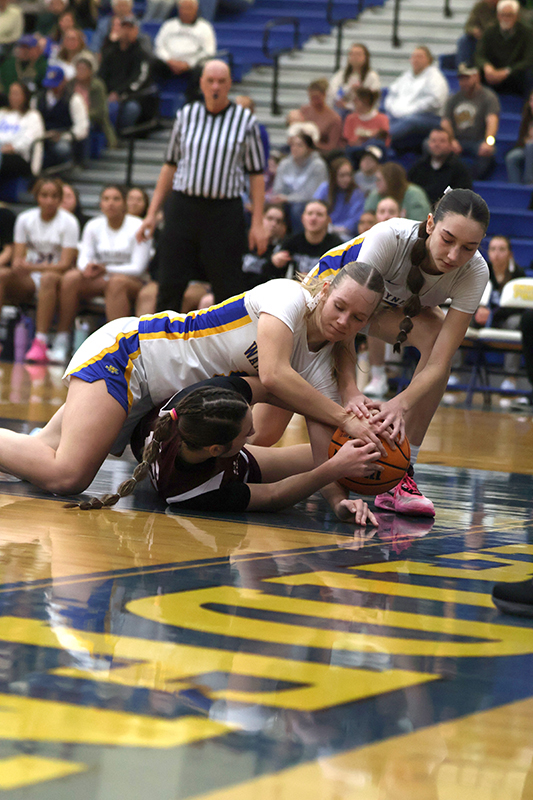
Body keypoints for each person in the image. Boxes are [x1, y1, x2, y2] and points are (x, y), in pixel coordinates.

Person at [0, 263, 390, 531]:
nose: (343, 321)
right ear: (325, 291)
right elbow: (273, 375)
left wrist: (339, 500)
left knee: (42, 452)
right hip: (134, 355)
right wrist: (344, 416)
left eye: (357, 318)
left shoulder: (320, 368)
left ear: (368, 322)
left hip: (158, 397)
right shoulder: (287, 297)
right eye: (340, 307)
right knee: (68, 475)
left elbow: (324, 447)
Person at [305, 188, 491, 516]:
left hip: (379, 313)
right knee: (270, 429)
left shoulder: (475, 272)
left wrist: (399, 404)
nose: (453, 255)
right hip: (328, 308)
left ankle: (403, 472)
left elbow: (440, 359)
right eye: (448, 239)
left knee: (437, 337)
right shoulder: (389, 237)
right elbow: (348, 322)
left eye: (468, 247)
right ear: (430, 224)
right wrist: (351, 390)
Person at [73, 376, 380, 519]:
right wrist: (334, 471)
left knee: (329, 449)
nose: (254, 433)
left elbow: (269, 386)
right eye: (247, 433)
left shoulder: (194, 404)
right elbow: (274, 496)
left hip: (185, 437)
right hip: (216, 473)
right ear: (217, 450)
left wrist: (336, 417)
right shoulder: (191, 492)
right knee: (330, 461)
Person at [137, 60, 267, 313]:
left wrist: (258, 222)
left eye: (221, 81)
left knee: (228, 286)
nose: (215, 86)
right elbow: (169, 165)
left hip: (224, 211)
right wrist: (152, 213)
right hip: (183, 206)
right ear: (201, 83)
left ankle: (229, 340)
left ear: (230, 84)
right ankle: (163, 338)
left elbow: (256, 175)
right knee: (169, 282)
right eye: (210, 81)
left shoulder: (245, 121)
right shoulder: (186, 115)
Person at [50, 184, 152, 363]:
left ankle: (119, 348)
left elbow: (138, 268)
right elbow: (83, 259)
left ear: (124, 204)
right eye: (106, 199)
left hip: (133, 282)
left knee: (116, 282)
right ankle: (62, 340)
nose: (110, 203)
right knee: (71, 278)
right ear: (100, 204)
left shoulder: (139, 226)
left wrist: (106, 269)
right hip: (100, 278)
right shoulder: (93, 225)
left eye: (116, 199)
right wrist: (88, 267)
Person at [6, 178, 79, 365]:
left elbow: (64, 264)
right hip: (29, 278)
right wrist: (20, 266)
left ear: (60, 199)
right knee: (2, 275)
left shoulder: (69, 222)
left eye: (54, 196)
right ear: (36, 197)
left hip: (56, 278)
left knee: (47, 278)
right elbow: (17, 259)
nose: (49, 201)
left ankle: (41, 341)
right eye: (44, 195)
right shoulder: (25, 219)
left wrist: (30, 267)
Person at [473, 235, 526, 405]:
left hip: (504, 321)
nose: (497, 253)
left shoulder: (518, 274)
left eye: (502, 249)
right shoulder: (482, 271)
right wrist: (478, 309)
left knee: (516, 321)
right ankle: (453, 374)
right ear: (488, 253)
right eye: (493, 249)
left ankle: (510, 378)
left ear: (510, 254)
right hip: (480, 320)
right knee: (461, 319)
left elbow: (519, 307)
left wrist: (492, 314)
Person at [384, 46, 449, 153]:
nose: (416, 59)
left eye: (420, 57)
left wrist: (409, 111)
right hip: (400, 115)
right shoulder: (406, 76)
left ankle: (382, 138)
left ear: (429, 59)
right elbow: (392, 93)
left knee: (411, 120)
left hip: (428, 117)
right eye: (413, 56)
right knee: (384, 116)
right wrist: (391, 108)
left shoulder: (435, 77)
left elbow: (436, 101)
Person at [441, 63, 499, 181]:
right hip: (457, 140)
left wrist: (488, 142)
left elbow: (492, 120)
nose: (463, 82)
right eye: (461, 79)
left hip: (477, 141)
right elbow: (445, 122)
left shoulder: (488, 97)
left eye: (467, 78)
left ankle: (468, 181)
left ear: (476, 77)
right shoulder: (454, 98)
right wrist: (451, 140)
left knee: (488, 154)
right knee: (432, 146)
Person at [98, 14, 154, 133]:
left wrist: (119, 93)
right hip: (108, 94)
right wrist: (105, 92)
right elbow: (101, 75)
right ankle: (105, 136)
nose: (126, 32)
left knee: (131, 109)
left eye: (130, 28)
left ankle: (119, 136)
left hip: (131, 96)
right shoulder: (109, 51)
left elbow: (139, 79)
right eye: (124, 27)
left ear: (136, 31)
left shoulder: (141, 54)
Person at [153, 0, 216, 102]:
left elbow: (209, 51)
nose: (186, 12)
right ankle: (153, 97)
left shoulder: (205, 27)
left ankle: (190, 100)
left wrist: (189, 64)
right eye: (183, 8)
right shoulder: (169, 25)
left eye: (189, 8)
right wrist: (169, 60)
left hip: (192, 66)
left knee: (203, 69)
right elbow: (159, 46)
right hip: (169, 63)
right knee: (152, 63)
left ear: (196, 9)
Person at [270, 131, 328, 233]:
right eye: (293, 145)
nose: (295, 148)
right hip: (286, 201)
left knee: (297, 209)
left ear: (309, 148)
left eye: (299, 145)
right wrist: (280, 197)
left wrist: (287, 198)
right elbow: (277, 188)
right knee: (272, 208)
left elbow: (311, 194)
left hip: (309, 202)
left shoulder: (318, 165)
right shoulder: (285, 164)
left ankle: (300, 237)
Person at [34, 64, 90, 169]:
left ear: (64, 81)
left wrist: (64, 136)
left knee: (62, 148)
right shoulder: (38, 99)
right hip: (42, 136)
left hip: (65, 137)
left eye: (56, 85)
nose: (53, 88)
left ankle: (67, 169)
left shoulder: (74, 99)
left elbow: (82, 128)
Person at [269, 200, 343, 278]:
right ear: (302, 218)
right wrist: (274, 263)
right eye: (310, 213)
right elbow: (271, 274)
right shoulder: (291, 242)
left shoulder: (337, 247)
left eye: (319, 214)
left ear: (328, 220)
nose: (313, 218)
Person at [475, 0, 533, 99]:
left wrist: (507, 71)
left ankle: (528, 106)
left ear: (517, 16)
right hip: (492, 74)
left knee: (530, 73)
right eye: (503, 15)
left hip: (515, 74)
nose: (506, 18)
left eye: (510, 15)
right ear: (498, 16)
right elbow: (479, 55)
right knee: (474, 73)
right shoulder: (490, 31)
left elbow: (528, 60)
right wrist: (486, 66)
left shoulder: (527, 33)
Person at [408, 128, 473, 206]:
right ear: (428, 143)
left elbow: (463, 197)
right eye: (433, 141)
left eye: (442, 141)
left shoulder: (459, 169)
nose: (437, 144)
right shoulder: (418, 167)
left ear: (450, 144)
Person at [71, 53, 117, 149]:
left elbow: (100, 110)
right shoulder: (70, 84)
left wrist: (82, 116)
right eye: (78, 69)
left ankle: (85, 154)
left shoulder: (97, 85)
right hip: (72, 117)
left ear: (90, 71)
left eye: (83, 69)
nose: (80, 72)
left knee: (85, 125)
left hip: (93, 119)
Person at [0, 81, 45, 181]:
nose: (12, 97)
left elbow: (29, 140)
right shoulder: (2, 113)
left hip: (20, 157)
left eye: (16, 93)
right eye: (11, 93)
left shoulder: (33, 116)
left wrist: (14, 147)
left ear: (25, 96)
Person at [313, 157, 365, 239]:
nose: (346, 179)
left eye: (349, 175)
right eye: (342, 175)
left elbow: (355, 220)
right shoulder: (324, 188)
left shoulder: (357, 193)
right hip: (325, 231)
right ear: (334, 176)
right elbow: (315, 209)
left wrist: (338, 229)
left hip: (346, 234)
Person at [326, 42, 381, 118]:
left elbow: (373, 98)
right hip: (341, 109)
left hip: (362, 113)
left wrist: (360, 92)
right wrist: (346, 92)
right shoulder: (341, 74)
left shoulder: (372, 76)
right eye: (352, 54)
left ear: (365, 57)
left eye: (358, 54)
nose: (355, 57)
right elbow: (332, 91)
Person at [289, 79, 343, 154]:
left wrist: (313, 145)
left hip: (320, 152)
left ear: (324, 95)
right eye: (311, 97)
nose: (314, 101)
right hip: (299, 148)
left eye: (316, 97)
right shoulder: (304, 111)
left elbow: (332, 146)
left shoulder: (334, 118)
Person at [364, 162, 431, 221]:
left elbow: (420, 224)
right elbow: (366, 220)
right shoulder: (376, 194)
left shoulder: (414, 194)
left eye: (379, 180)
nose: (376, 183)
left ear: (391, 180)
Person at [241, 203, 287, 289]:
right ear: (260, 219)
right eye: (269, 218)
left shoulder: (282, 250)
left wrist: (272, 265)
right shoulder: (243, 240)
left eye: (278, 221)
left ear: (283, 227)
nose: (273, 224)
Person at [343, 87, 390, 161]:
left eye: (356, 100)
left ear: (365, 101)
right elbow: (348, 140)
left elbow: (386, 141)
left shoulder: (382, 119)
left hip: (375, 152)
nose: (354, 102)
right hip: (355, 152)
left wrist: (372, 136)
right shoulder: (350, 118)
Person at [456, 0, 498, 68]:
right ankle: (464, 68)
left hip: (497, 39)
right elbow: (468, 26)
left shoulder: (506, 7)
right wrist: (474, 30)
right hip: (481, 38)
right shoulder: (480, 7)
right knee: (464, 40)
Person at [505, 88, 533, 183]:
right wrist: (527, 140)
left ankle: (529, 182)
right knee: (512, 156)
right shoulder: (527, 117)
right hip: (527, 148)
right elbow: (521, 139)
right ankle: (515, 186)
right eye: (531, 100)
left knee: (530, 146)